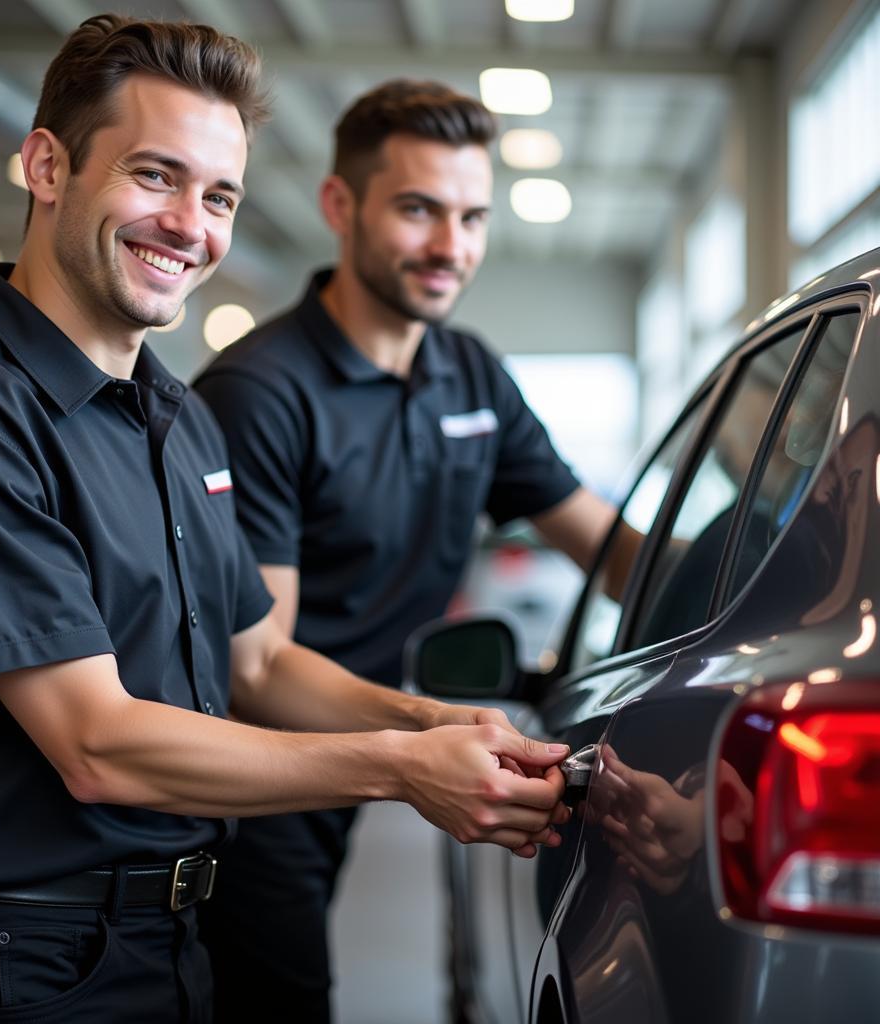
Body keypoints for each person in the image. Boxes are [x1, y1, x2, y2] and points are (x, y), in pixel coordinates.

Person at [0, 23, 573, 1024]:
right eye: (156, 176)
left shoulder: (177, 416)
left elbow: (260, 664)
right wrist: (402, 767)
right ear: (47, 164)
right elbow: (94, 742)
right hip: (19, 965)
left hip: (173, 943)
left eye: (219, 195)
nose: (189, 225)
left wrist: (436, 720)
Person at [193, 79, 624, 1022]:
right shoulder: (263, 393)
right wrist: (428, 732)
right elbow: (256, 670)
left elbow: (608, 546)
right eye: (419, 209)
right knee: (279, 1000)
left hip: (370, 743)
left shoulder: (467, 371)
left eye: (471, 216)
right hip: (260, 782)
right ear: (341, 206)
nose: (450, 246)